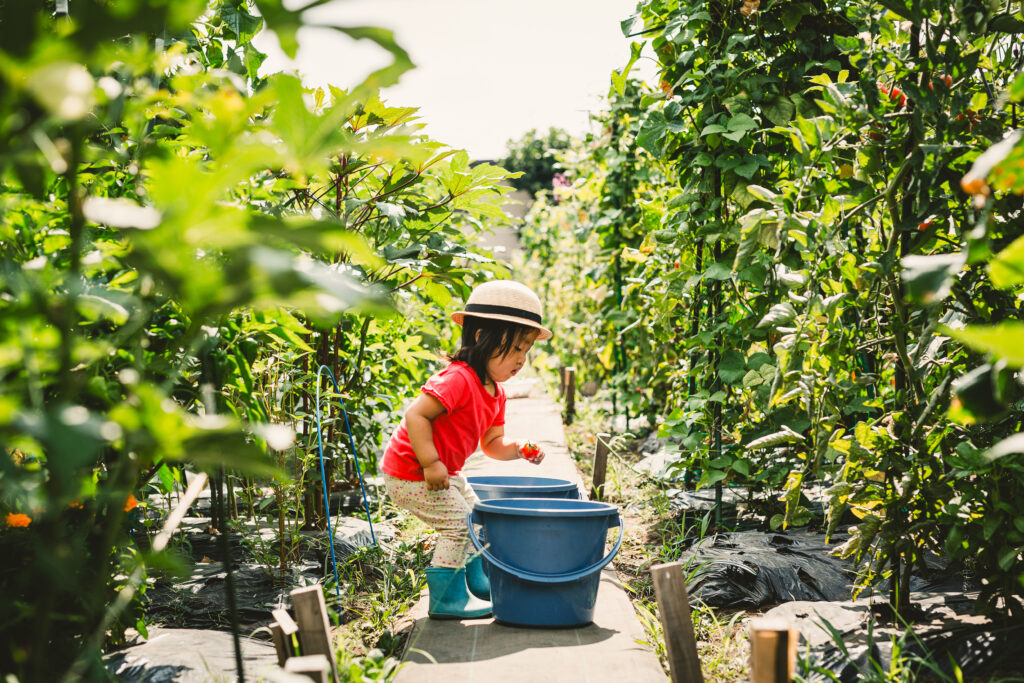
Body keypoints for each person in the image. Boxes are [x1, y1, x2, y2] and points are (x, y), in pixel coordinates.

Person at [380, 280, 552, 619]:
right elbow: (416, 414)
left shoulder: (496, 392)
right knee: (458, 526)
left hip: (446, 473)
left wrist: (518, 449)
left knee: (477, 518)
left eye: (527, 350)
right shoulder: (458, 378)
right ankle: (447, 599)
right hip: (412, 473)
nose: (522, 359)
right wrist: (430, 462)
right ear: (480, 337)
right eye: (516, 348)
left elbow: (492, 445)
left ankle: (479, 582)